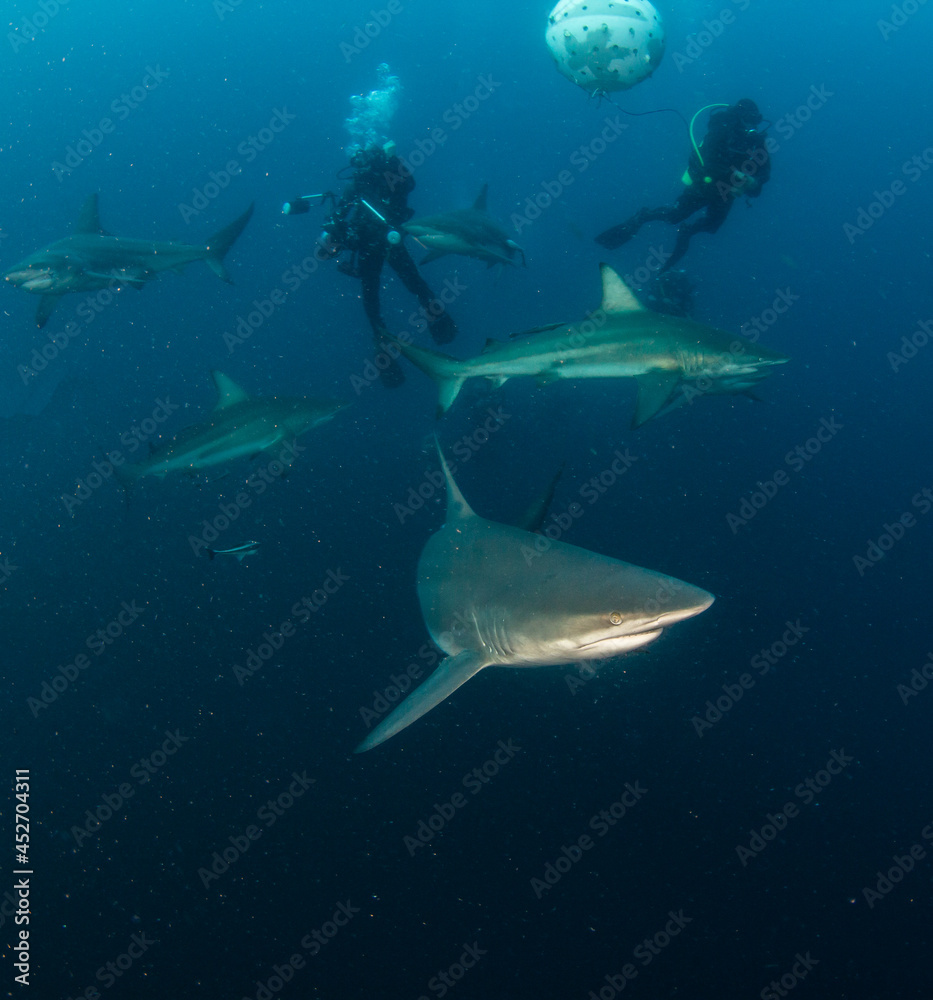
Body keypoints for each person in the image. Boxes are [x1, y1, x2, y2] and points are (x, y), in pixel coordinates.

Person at [320, 141, 458, 387]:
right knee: (388, 290)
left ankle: (431, 325)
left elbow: (409, 185)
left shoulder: (390, 174)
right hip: (371, 242)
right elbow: (340, 215)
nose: (363, 167)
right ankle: (387, 346)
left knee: (398, 286)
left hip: (386, 239)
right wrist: (333, 234)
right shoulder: (356, 185)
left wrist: (394, 162)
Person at [595, 99, 771, 271]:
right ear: (738, 116)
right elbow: (705, 161)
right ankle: (643, 216)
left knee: (712, 226)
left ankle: (687, 232)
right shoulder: (722, 129)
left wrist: (753, 182)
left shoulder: (756, 141)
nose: (751, 125)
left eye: (754, 120)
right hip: (705, 184)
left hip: (728, 192)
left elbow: (765, 173)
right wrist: (733, 174)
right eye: (747, 119)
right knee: (673, 215)